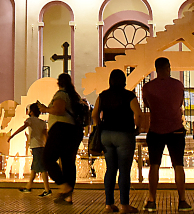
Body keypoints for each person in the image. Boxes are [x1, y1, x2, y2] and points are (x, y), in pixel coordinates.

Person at [141, 57, 191, 212]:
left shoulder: (148, 87)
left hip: (155, 129)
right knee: (178, 165)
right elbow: (180, 103)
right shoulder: (178, 85)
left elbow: (147, 105)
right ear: (168, 68)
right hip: (176, 129)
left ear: (156, 69)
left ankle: (151, 200)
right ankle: (182, 200)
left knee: (154, 165)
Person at [94, 68, 141, 213]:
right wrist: (137, 128)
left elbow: (94, 114)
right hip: (124, 134)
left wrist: (99, 127)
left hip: (106, 134)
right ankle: (124, 205)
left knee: (110, 169)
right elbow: (138, 113)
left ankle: (109, 204)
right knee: (124, 170)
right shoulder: (129, 96)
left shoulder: (103, 95)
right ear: (124, 81)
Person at [39, 73, 86, 204]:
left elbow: (59, 110)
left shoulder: (60, 95)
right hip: (74, 131)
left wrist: (45, 109)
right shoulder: (74, 96)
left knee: (47, 158)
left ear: (58, 83)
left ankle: (63, 186)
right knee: (68, 163)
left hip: (61, 129)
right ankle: (68, 196)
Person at [11, 103, 51, 195]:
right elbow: (46, 135)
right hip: (41, 146)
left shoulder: (30, 120)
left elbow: (23, 127)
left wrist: (12, 136)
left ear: (31, 112)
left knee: (41, 168)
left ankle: (47, 189)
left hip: (36, 146)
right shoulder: (42, 122)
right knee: (35, 167)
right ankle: (29, 187)